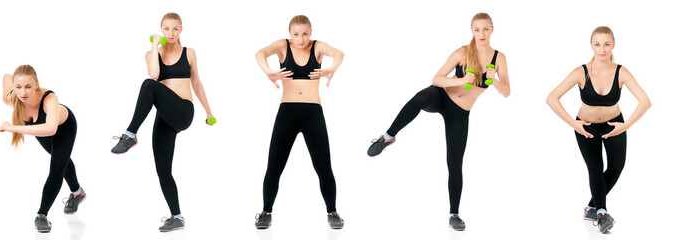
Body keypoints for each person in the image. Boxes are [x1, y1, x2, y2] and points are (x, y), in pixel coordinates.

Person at [366, 13, 511, 231]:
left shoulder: (499, 59)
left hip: (460, 113)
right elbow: (437, 78)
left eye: (485, 29)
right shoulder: (462, 52)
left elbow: (507, 91)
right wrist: (462, 79)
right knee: (420, 98)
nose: (481, 34)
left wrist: (495, 78)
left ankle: (454, 214)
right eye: (477, 29)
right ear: (472, 31)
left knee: (455, 163)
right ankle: (387, 137)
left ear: (492, 30)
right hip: (441, 96)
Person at [110, 12, 215, 232]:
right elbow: (155, 75)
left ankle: (130, 134)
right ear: (161, 29)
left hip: (183, 110)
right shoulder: (152, 54)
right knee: (163, 171)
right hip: (165, 116)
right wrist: (154, 47)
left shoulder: (190, 53)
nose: (171, 33)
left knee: (148, 86)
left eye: (175, 28)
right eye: (166, 29)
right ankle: (177, 217)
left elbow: (196, 81)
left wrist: (208, 110)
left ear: (181, 30)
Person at [546, 26, 650, 234]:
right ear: (591, 46)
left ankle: (590, 207)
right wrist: (573, 124)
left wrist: (625, 125)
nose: (602, 49)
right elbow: (552, 98)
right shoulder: (581, 72)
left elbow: (645, 101)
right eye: (597, 44)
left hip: (615, 124)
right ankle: (602, 213)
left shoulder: (622, 72)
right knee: (595, 167)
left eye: (606, 44)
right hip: (586, 127)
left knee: (617, 167)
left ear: (613, 45)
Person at [253, 15, 345, 229]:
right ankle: (266, 212)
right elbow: (260, 53)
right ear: (289, 33)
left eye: (304, 33)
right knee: (274, 166)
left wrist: (332, 68)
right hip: (287, 112)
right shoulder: (282, 46)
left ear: (310, 32)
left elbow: (339, 54)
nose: (300, 39)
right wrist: (269, 72)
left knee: (324, 167)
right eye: (296, 34)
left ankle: (332, 212)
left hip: (313, 113)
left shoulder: (318, 47)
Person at [0, 65, 86, 233]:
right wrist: (17, 80)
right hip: (41, 130)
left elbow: (50, 129)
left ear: (37, 84)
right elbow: (6, 76)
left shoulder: (49, 99)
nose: (23, 92)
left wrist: (14, 128)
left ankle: (41, 215)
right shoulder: (11, 97)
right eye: (18, 86)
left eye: (28, 86)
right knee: (61, 160)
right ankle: (78, 193)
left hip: (63, 128)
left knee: (56, 169)